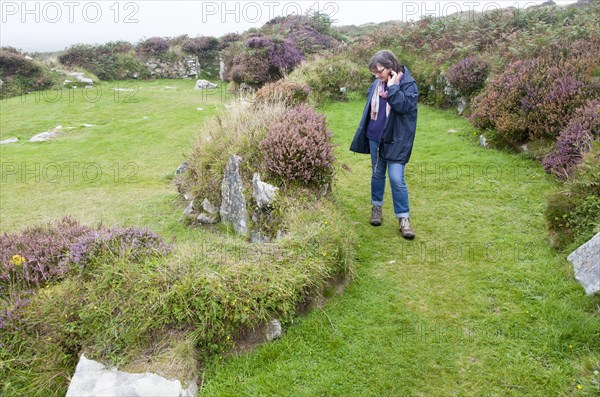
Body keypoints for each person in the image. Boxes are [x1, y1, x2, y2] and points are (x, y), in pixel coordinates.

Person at [350, 50, 419, 239]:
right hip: (375, 137)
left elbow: (403, 107)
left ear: (390, 66)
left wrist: (393, 87)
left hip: (396, 140)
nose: (376, 75)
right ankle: (376, 208)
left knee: (397, 178)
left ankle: (404, 219)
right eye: (374, 73)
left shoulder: (408, 85)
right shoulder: (376, 83)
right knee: (377, 173)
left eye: (379, 71)